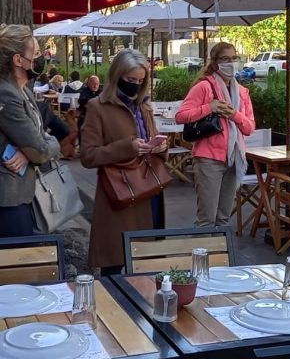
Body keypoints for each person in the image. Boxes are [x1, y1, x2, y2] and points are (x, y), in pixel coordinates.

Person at [80, 49, 168, 276]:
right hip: (119, 193)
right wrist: (127, 147)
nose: (136, 85)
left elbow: (152, 139)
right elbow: (87, 156)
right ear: (117, 75)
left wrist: (160, 147)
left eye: (140, 81)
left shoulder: (145, 105)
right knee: (114, 264)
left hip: (149, 189)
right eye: (131, 79)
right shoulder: (97, 107)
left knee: (147, 264)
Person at [175, 42, 255, 227]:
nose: (231, 63)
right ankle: (204, 247)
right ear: (215, 62)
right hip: (208, 159)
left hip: (233, 158)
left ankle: (220, 247)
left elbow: (249, 128)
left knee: (223, 218)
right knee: (207, 219)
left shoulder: (242, 92)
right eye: (225, 59)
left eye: (234, 58)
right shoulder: (204, 87)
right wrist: (209, 107)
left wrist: (234, 114)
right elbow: (181, 116)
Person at [0, 24, 60, 237]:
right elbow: (41, 151)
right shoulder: (7, 95)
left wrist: (28, 153)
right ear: (18, 60)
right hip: (9, 201)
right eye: (36, 54)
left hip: (23, 194)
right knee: (19, 255)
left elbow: (39, 142)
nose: (41, 58)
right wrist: (38, 149)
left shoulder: (23, 91)